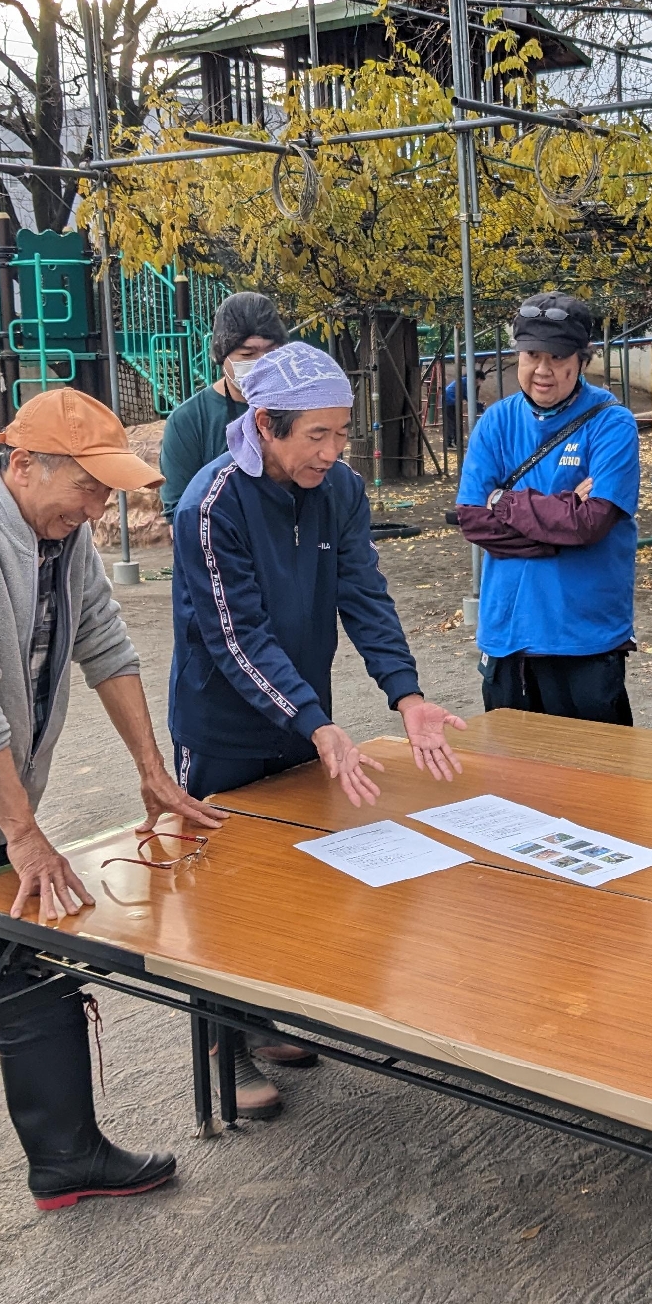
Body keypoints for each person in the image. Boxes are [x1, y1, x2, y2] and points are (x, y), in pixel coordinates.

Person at [0, 386, 227, 1211]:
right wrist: (23, 830)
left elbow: (104, 642)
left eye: (104, 493)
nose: (96, 509)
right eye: (86, 488)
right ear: (23, 467)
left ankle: (66, 1156)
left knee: (29, 963)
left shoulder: (61, 532)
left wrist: (153, 770)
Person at [170, 340, 469, 1115]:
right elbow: (238, 637)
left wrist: (406, 695)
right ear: (265, 424)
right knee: (225, 887)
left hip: (302, 723)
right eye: (318, 437)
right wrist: (316, 721)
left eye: (343, 433)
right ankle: (223, 1044)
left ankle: (263, 1015)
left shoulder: (339, 489)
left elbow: (363, 593)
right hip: (226, 721)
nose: (335, 452)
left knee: (293, 876)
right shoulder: (211, 505)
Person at [455, 292, 641, 723]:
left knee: (597, 778)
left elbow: (592, 524)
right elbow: (472, 520)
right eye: (531, 355)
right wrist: (561, 517)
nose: (542, 370)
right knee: (512, 777)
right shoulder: (495, 421)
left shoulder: (612, 423)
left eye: (557, 357)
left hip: (584, 634)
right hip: (507, 632)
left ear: (580, 360)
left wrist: (504, 501)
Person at [159, 290, 288, 514]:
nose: (261, 363)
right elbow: (181, 516)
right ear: (222, 355)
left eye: (271, 353)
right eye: (247, 355)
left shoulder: (300, 407)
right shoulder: (187, 421)